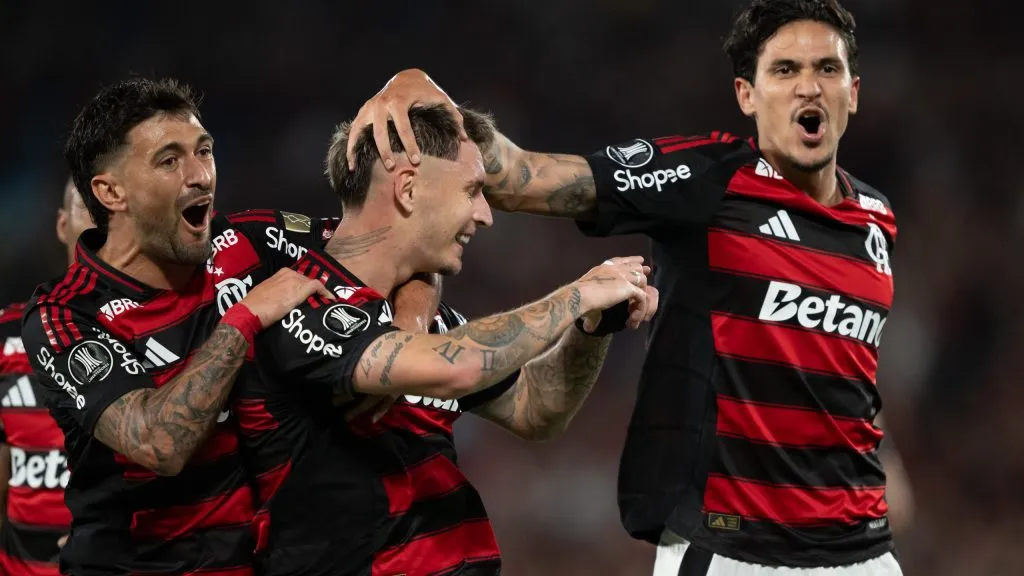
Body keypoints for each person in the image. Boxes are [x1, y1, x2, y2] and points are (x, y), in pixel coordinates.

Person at [353, 1, 908, 574]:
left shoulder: (877, 219)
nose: (808, 87)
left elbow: (842, 373)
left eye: (827, 69)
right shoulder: (710, 179)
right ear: (747, 95)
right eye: (785, 70)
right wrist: (423, 93)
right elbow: (516, 177)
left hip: (865, 554)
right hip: (736, 550)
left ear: (853, 92)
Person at [235, 104, 658, 576]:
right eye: (472, 190)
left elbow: (538, 408)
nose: (485, 214)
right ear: (407, 189)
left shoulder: (424, 319)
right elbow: (457, 367)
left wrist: (593, 326)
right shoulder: (301, 302)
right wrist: (576, 297)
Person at [18, 77, 365, 575]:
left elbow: (395, 242)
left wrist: (408, 320)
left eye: (204, 151)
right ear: (111, 192)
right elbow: (159, 443)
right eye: (169, 161)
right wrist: (244, 318)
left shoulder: (248, 243)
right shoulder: (65, 314)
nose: (200, 175)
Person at [0, 179, 92, 576]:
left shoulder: (164, 335)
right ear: (62, 224)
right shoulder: (8, 333)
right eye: (88, 207)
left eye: (114, 212)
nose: (101, 223)